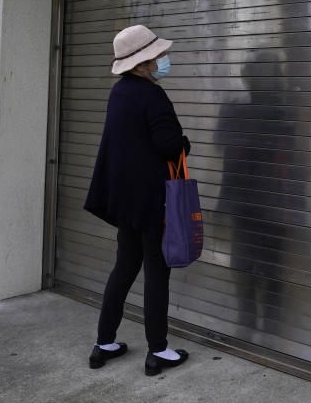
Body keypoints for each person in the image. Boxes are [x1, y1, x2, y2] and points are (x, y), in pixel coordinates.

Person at [83, 24, 191, 376]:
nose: (163, 59)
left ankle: (104, 343)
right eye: (159, 55)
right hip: (152, 199)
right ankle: (158, 350)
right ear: (143, 62)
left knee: (125, 266)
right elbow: (167, 144)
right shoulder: (151, 95)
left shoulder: (120, 92)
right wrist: (184, 142)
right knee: (157, 272)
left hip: (124, 200)